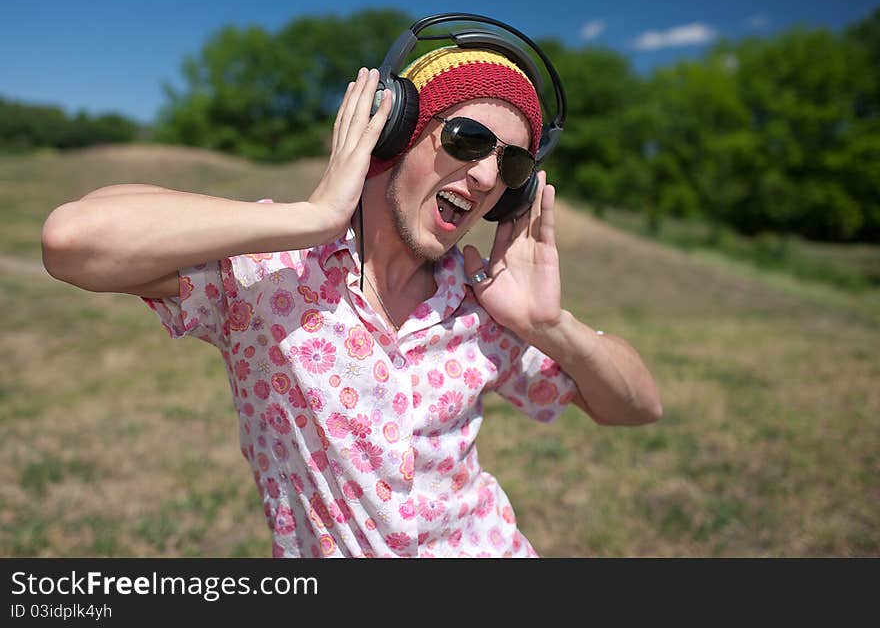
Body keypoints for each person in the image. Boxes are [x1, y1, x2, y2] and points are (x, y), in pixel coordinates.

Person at [41, 42, 661, 558]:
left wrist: (553, 326)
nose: (485, 177)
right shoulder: (271, 272)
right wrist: (310, 217)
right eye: (469, 140)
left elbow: (636, 407)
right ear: (394, 134)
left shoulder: (482, 308)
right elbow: (72, 241)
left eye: (513, 164)